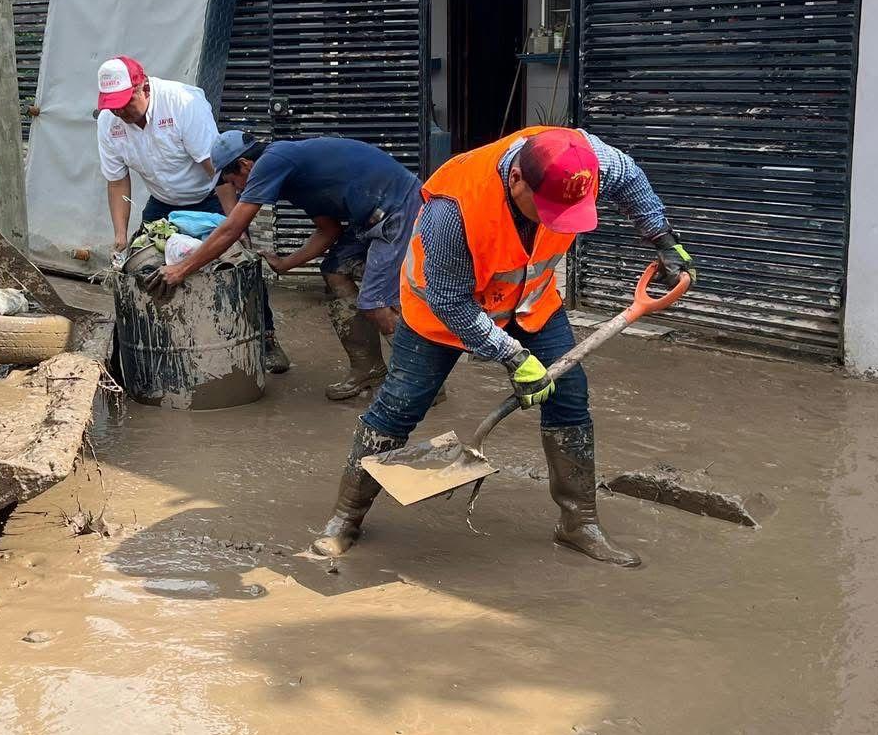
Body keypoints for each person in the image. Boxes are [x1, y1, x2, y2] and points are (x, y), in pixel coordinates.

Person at [311, 126, 697, 568]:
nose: (556, 221)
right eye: (548, 208)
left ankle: (579, 523)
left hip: (531, 302)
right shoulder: (452, 211)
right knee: (399, 407)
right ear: (516, 178)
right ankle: (345, 518)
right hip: (442, 313)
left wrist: (663, 241)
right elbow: (451, 301)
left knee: (570, 400)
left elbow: (630, 178)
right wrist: (514, 357)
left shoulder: (584, 161)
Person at [150, 131, 423, 400]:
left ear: (245, 165)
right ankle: (369, 370)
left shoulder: (273, 160)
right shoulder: (292, 177)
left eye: (234, 181)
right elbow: (328, 231)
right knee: (335, 271)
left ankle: (417, 384)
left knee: (375, 303)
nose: (236, 190)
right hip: (370, 215)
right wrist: (285, 264)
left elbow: (232, 228)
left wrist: (181, 269)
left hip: (398, 205)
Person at [96, 56, 289, 373]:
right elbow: (118, 182)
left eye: (124, 103)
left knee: (238, 261)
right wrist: (119, 235)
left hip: (209, 193)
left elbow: (218, 171)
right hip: (162, 202)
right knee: (137, 265)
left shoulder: (183, 104)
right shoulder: (109, 122)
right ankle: (144, 347)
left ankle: (266, 338)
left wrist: (234, 225)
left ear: (144, 86)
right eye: (112, 105)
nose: (119, 112)